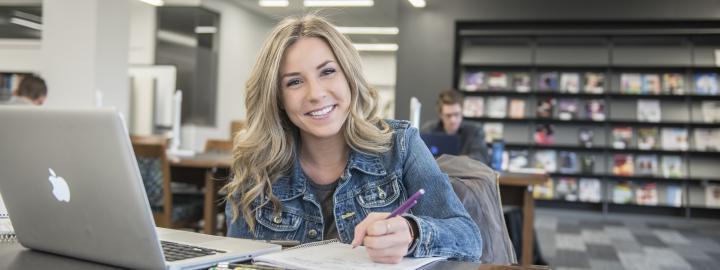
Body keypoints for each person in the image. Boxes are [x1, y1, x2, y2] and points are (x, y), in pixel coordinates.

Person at [223, 15, 482, 263]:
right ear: (277, 98)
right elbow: (237, 261)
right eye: (294, 82)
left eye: (327, 72)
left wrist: (413, 232)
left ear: (349, 76)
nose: (316, 94)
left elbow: (469, 239)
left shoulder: (400, 145)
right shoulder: (257, 167)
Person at [421, 90, 490, 164]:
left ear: (462, 112)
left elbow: (480, 159)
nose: (453, 120)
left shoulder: (475, 131)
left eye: (456, 114)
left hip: (465, 174)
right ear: (440, 115)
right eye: (448, 115)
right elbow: (421, 158)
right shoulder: (428, 130)